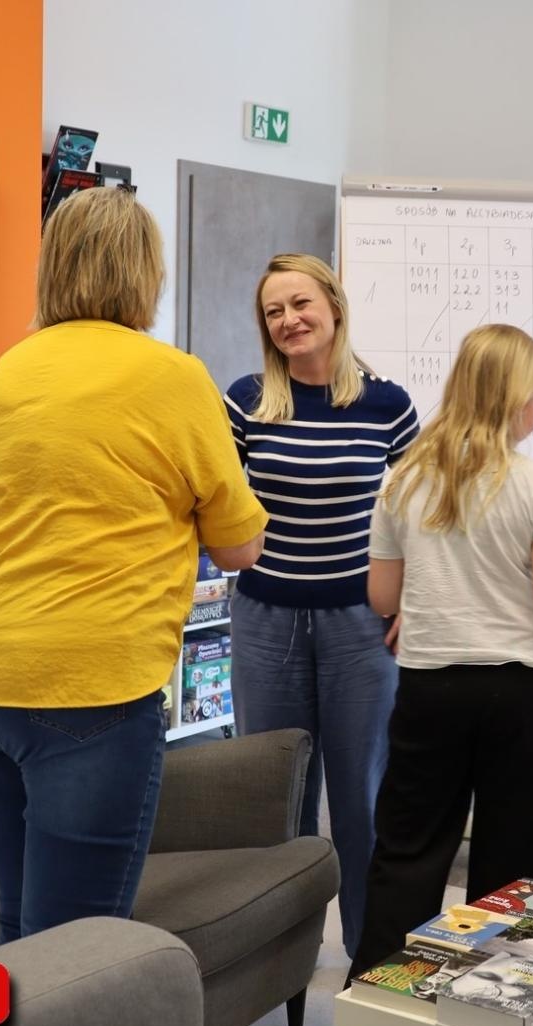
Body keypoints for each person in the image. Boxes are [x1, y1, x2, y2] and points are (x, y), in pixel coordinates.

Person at [0, 188, 267, 943]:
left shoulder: (10, 373)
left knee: (22, 920)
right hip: (87, 682)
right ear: (146, 274)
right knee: (81, 949)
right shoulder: (174, 377)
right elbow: (241, 547)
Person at [348, 323, 533, 980]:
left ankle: (375, 1004)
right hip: (521, 691)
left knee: (409, 849)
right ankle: (494, 998)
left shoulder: (403, 479)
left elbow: (381, 597)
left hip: (431, 685)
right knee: (510, 861)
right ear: (516, 399)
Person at [225, 253, 420, 959]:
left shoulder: (387, 404)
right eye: (274, 311)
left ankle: (370, 961)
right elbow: (216, 499)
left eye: (300, 303)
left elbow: (424, 509)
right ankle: (279, 958)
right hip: (264, 620)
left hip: (358, 628)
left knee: (361, 804)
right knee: (277, 802)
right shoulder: (245, 400)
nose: (289, 321)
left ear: (334, 306)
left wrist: (414, 597)